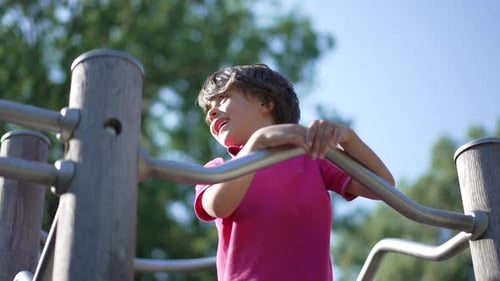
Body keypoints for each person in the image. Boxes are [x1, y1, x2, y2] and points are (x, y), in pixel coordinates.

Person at [193, 64, 395, 281]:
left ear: (266, 103)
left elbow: (383, 187)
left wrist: (348, 138)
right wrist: (257, 142)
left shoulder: (311, 156)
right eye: (208, 111)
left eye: (222, 99)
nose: (212, 113)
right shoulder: (217, 169)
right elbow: (219, 205)